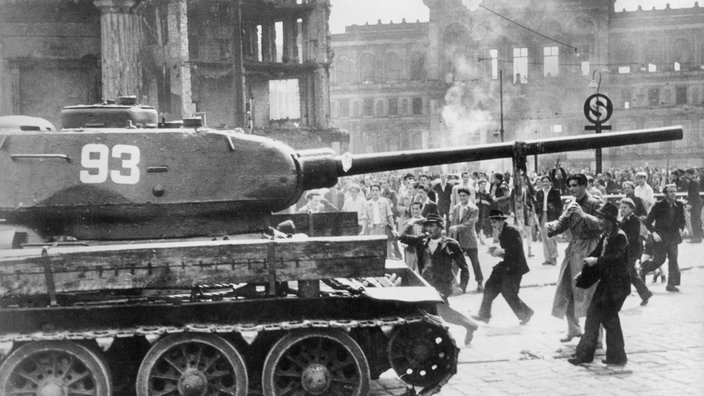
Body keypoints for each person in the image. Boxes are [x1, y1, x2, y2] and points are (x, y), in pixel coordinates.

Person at [397, 214, 479, 345]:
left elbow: (464, 268)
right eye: (427, 225)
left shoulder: (451, 244)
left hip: (443, 285)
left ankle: (447, 337)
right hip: (425, 284)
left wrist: (462, 286)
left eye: (432, 226)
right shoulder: (421, 241)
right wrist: (410, 223)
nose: (429, 228)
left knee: (437, 311)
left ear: (441, 228)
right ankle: (468, 325)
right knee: (441, 312)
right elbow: (400, 237)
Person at [567, 202, 630, 366]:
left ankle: (590, 355)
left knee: (600, 317)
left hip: (617, 286)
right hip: (608, 284)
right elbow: (595, 254)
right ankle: (614, 356)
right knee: (602, 318)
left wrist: (597, 261)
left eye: (602, 218)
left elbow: (616, 257)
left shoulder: (619, 236)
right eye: (599, 217)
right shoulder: (607, 235)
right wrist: (584, 272)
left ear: (611, 219)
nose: (599, 221)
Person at [546, 173, 602, 343]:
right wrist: (552, 227)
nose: (572, 189)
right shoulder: (571, 203)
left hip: (590, 249)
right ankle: (573, 329)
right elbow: (562, 223)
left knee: (590, 293)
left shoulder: (594, 202)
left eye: (575, 185)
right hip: (573, 250)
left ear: (584, 186)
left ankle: (597, 337)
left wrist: (584, 215)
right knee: (568, 290)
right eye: (570, 186)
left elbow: (603, 224)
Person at [471, 210, 533, 325]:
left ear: (501, 221)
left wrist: (501, 251)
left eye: (494, 222)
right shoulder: (502, 232)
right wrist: (496, 252)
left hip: (515, 267)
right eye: (491, 222)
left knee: (507, 291)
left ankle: (526, 313)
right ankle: (484, 315)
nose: (492, 225)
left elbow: (517, 250)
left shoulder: (511, 230)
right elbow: (507, 253)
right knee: (490, 285)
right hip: (507, 264)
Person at [640, 184, 686, 292]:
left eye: (674, 191)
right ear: (665, 194)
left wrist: (681, 228)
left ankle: (671, 284)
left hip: (674, 237)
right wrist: (654, 233)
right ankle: (643, 270)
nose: (673, 193)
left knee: (673, 260)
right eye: (670, 191)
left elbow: (682, 220)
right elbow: (648, 222)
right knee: (659, 260)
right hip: (660, 237)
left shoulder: (679, 205)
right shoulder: (658, 205)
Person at [618, 198, 653, 305]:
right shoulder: (623, 220)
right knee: (630, 272)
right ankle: (645, 293)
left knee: (629, 271)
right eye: (621, 207)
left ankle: (642, 293)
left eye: (625, 207)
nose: (622, 210)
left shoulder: (634, 220)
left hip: (633, 250)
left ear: (631, 209)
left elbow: (633, 237)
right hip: (626, 250)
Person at [449, 187, 483, 292]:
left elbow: (470, 223)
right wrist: (450, 238)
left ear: (468, 196)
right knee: (456, 262)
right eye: (460, 196)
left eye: (464, 195)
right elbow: (453, 223)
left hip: (469, 240)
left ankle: (480, 282)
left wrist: (457, 228)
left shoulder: (474, 208)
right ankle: (455, 284)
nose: (462, 197)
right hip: (458, 240)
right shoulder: (456, 208)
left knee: (475, 262)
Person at [535, 175, 562, 265]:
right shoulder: (539, 193)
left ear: (550, 182)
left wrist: (558, 218)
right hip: (542, 216)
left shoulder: (555, 192)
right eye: (544, 181)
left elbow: (559, 206)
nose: (545, 183)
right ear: (541, 183)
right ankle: (547, 258)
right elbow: (537, 205)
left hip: (552, 216)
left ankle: (554, 257)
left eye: (547, 181)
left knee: (551, 237)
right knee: (544, 238)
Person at [399, 201, 425, 272]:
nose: (414, 211)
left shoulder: (425, 222)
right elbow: (401, 235)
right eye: (413, 209)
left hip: (421, 251)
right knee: (409, 270)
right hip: (409, 250)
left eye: (417, 209)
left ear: (421, 210)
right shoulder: (407, 222)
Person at [685, 168, 703, 243]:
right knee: (696, 220)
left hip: (695, 204)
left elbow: (694, 195)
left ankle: (697, 237)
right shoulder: (694, 181)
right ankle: (698, 236)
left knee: (695, 220)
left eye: (686, 173)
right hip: (696, 203)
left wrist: (690, 204)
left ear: (689, 174)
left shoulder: (693, 182)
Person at [475, 178, 493, 244]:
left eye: (484, 185)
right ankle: (480, 238)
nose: (483, 186)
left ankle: (481, 238)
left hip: (484, 211)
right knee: (477, 224)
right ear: (479, 185)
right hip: (476, 210)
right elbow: (473, 201)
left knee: (482, 223)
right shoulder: (476, 193)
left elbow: (491, 203)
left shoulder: (487, 194)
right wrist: (478, 201)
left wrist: (485, 202)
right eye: (482, 184)